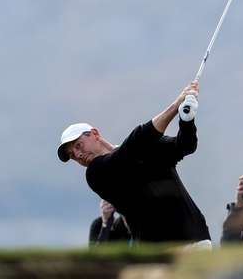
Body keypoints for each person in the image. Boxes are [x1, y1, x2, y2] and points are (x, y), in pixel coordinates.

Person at [58, 79, 211, 245]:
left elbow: (184, 146)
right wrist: (176, 106)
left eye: (78, 146)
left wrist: (187, 120)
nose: (78, 155)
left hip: (195, 238)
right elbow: (132, 148)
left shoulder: (142, 148)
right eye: (73, 155)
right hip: (157, 251)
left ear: (94, 133)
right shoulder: (96, 173)